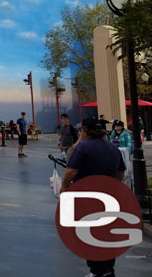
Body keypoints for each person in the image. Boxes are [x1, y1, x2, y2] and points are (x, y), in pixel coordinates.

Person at [60, 118, 126, 277]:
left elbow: (71, 171)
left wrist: (64, 187)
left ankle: (97, 271)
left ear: (85, 131)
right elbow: (121, 172)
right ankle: (108, 269)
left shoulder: (83, 147)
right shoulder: (113, 148)